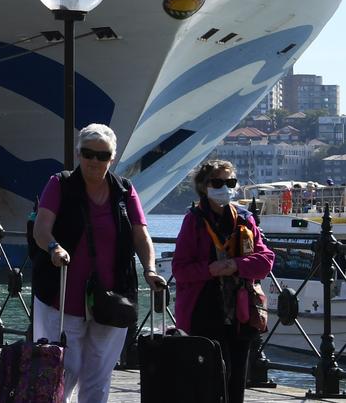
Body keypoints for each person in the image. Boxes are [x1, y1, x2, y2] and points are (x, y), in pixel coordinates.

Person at [32, 123, 166, 403]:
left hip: (111, 297)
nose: (94, 161)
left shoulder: (124, 190)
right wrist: (55, 248)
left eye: (102, 155)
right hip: (64, 295)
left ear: (112, 158)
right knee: (64, 368)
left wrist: (150, 269)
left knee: (98, 374)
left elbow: (140, 233)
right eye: (88, 153)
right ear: (79, 154)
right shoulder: (60, 184)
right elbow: (41, 228)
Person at [172, 159, 274, 403]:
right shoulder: (194, 221)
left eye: (230, 182)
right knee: (211, 378)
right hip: (204, 309)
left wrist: (235, 265)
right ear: (204, 187)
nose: (225, 187)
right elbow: (180, 269)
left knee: (237, 379)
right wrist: (211, 270)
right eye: (217, 182)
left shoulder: (245, 219)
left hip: (241, 311)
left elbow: (266, 260)